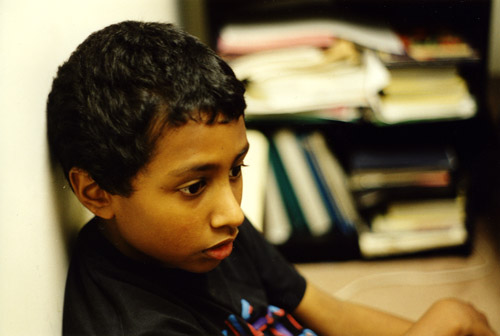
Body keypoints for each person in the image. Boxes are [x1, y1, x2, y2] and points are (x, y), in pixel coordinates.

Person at [47, 21, 496, 336]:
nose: (233, 212)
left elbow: (328, 311)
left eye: (236, 170)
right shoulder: (139, 325)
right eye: (193, 186)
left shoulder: (206, 237)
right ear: (96, 192)